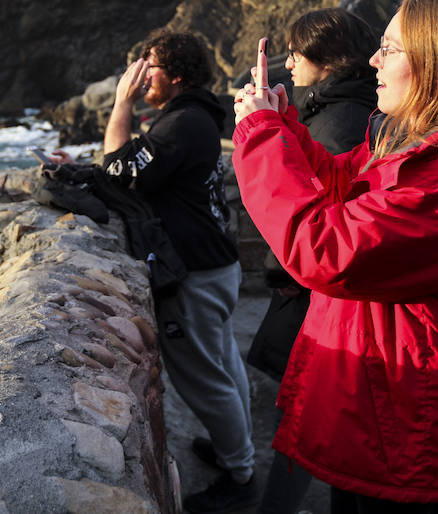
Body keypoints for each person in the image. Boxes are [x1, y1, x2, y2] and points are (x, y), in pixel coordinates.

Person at [232, 0, 438, 512]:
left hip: (406, 440)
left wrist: (258, 137)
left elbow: (325, 248)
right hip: (384, 426)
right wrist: (281, 125)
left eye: (390, 49)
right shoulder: (412, 153)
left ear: (436, 66)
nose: (373, 60)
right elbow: (337, 183)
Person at [61, 30, 256, 514]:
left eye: (150, 67)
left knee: (205, 378)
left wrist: (121, 104)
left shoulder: (183, 122)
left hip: (196, 272)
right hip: (218, 262)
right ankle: (237, 449)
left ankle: (242, 473)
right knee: (225, 363)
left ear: (175, 75)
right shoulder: (197, 116)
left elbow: (117, 166)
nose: (143, 76)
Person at [242, 8, 378, 514]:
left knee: (315, 421)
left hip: (318, 294)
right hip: (321, 294)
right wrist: (277, 123)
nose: (289, 62)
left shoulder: (343, 120)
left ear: (329, 59)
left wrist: (260, 131)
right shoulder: (346, 112)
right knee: (317, 422)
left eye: (297, 53)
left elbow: (325, 231)